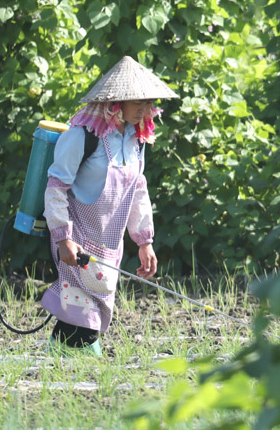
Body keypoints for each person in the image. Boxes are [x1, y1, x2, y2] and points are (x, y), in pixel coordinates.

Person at [40, 56, 179, 355]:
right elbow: (56, 187)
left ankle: (58, 361)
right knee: (82, 320)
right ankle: (77, 366)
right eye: (136, 103)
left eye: (148, 103)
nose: (144, 109)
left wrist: (145, 241)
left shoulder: (135, 140)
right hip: (75, 240)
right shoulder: (82, 136)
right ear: (115, 103)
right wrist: (63, 239)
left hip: (108, 246)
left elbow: (137, 189)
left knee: (86, 317)